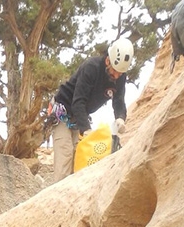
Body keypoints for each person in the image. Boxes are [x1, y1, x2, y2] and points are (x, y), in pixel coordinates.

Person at [50, 37, 134, 182]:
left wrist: (120, 117)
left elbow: (119, 101)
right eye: (114, 72)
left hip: (78, 118)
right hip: (62, 112)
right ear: (108, 61)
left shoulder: (120, 76)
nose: (116, 76)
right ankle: (55, 195)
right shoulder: (92, 68)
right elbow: (78, 101)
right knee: (65, 156)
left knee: (78, 160)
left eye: (120, 74)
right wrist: (86, 129)